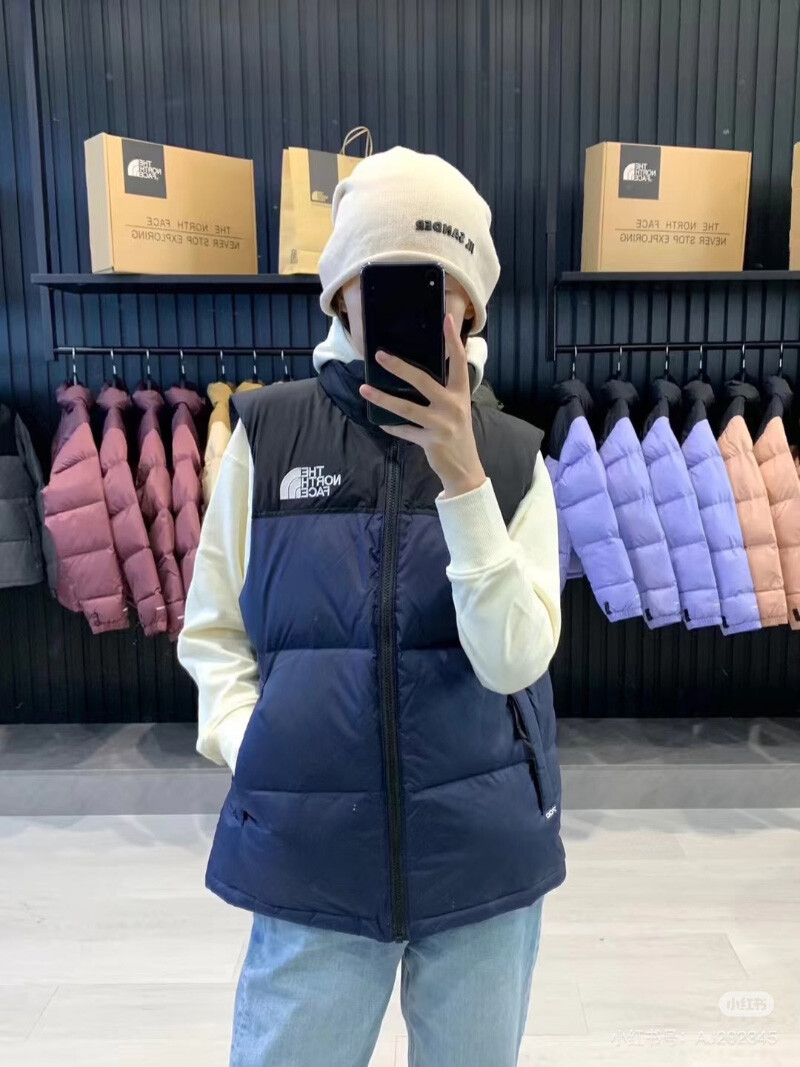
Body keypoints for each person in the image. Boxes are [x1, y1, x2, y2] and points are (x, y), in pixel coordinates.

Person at [177, 145, 566, 1067]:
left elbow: (515, 660)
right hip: (313, 847)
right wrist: (251, 737)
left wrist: (464, 480)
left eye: (438, 286)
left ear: (469, 307)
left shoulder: (514, 458)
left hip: (482, 850)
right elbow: (214, 627)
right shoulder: (269, 434)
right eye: (382, 279)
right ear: (341, 293)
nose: (409, 310)